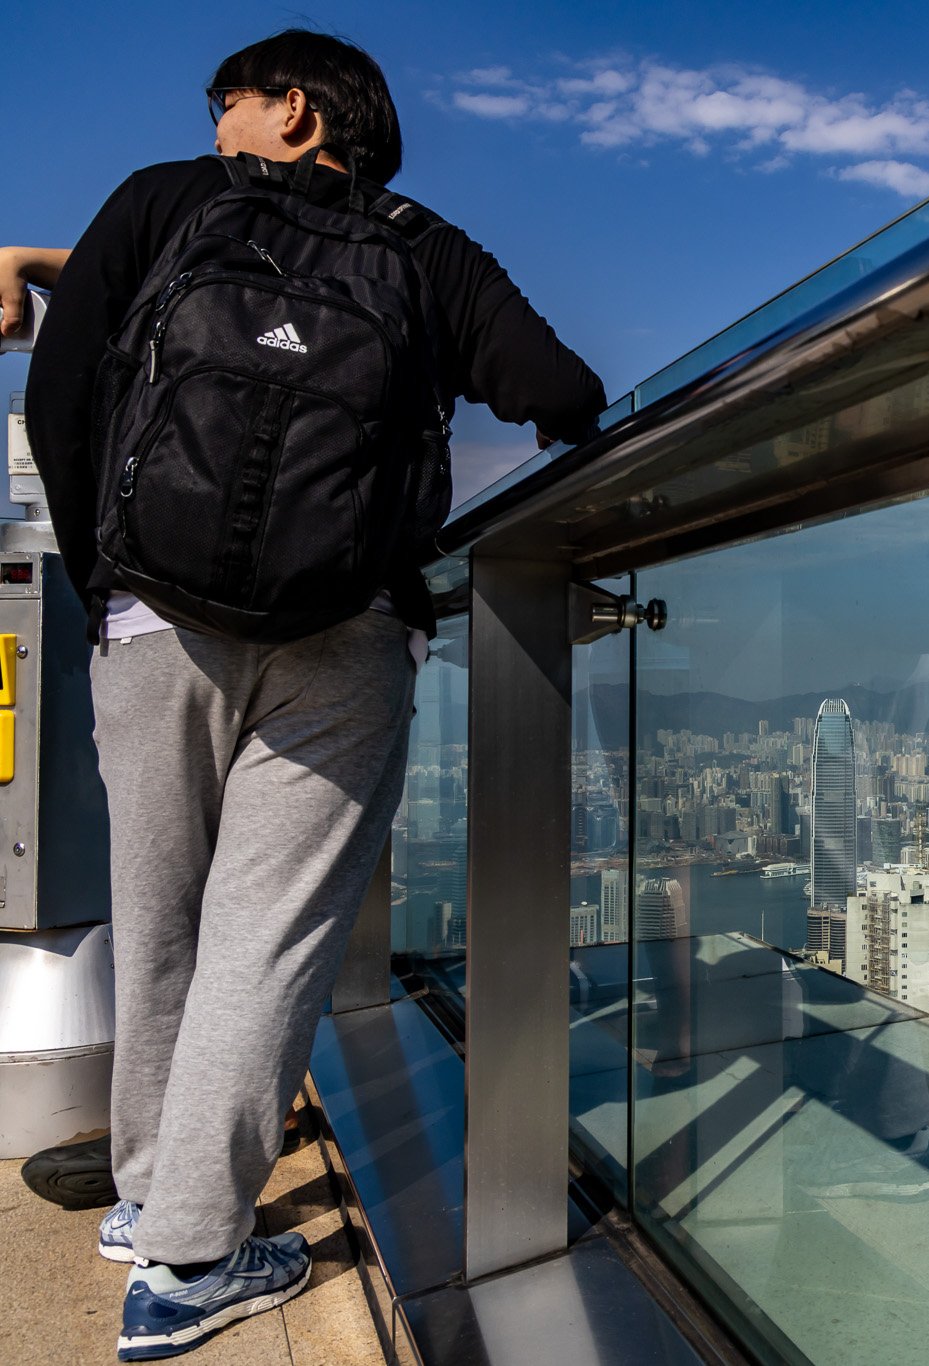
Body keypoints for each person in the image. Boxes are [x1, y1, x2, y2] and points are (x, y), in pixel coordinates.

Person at [3, 30, 605, 1361]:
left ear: (293, 108)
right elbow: (562, 393)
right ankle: (190, 1257)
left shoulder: (165, 200)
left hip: (149, 618)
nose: (217, 126)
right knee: (264, 935)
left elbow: (64, 381)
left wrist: (113, 572)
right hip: (344, 637)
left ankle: (159, 1203)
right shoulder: (429, 252)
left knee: (160, 912)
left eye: (229, 103)